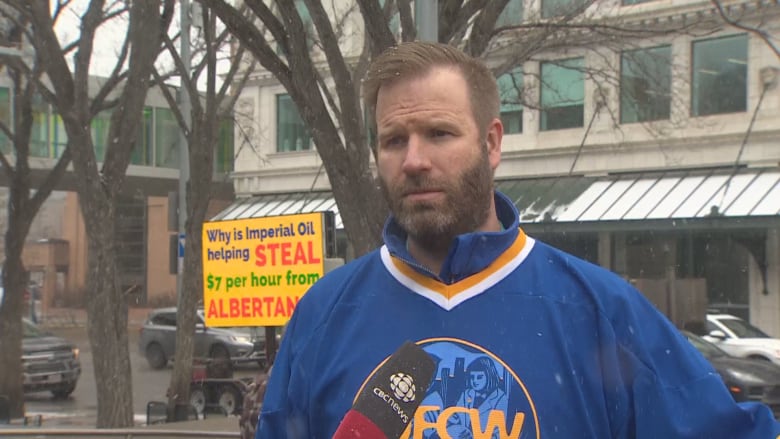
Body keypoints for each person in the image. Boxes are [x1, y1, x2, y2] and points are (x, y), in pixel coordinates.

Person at [256, 41, 780, 438]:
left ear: (491, 142)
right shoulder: (323, 314)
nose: (414, 160)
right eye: (394, 140)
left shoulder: (603, 311)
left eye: (439, 133)